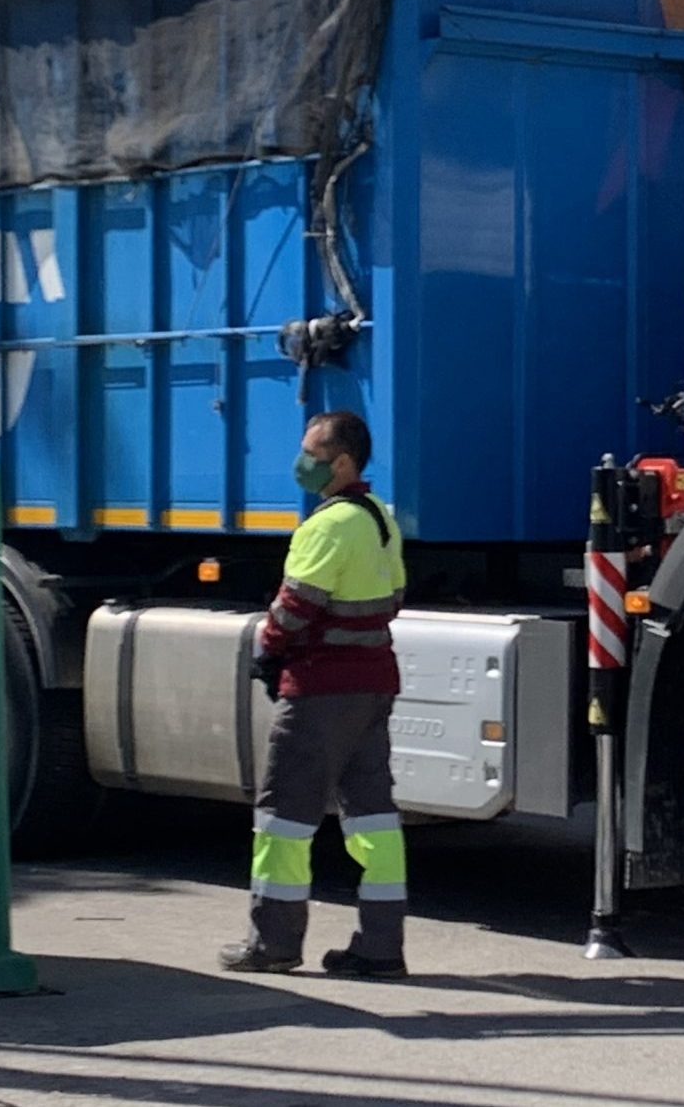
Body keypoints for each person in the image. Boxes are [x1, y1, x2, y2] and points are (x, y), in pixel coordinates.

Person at [220, 410, 410, 979]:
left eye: (312, 452)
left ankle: (272, 944)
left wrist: (268, 650)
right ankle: (381, 947)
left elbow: (293, 610)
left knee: (284, 820)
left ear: (342, 461)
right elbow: (394, 597)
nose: (302, 462)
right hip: (373, 684)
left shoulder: (326, 526)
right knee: (374, 819)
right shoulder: (381, 518)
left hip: (320, 689)